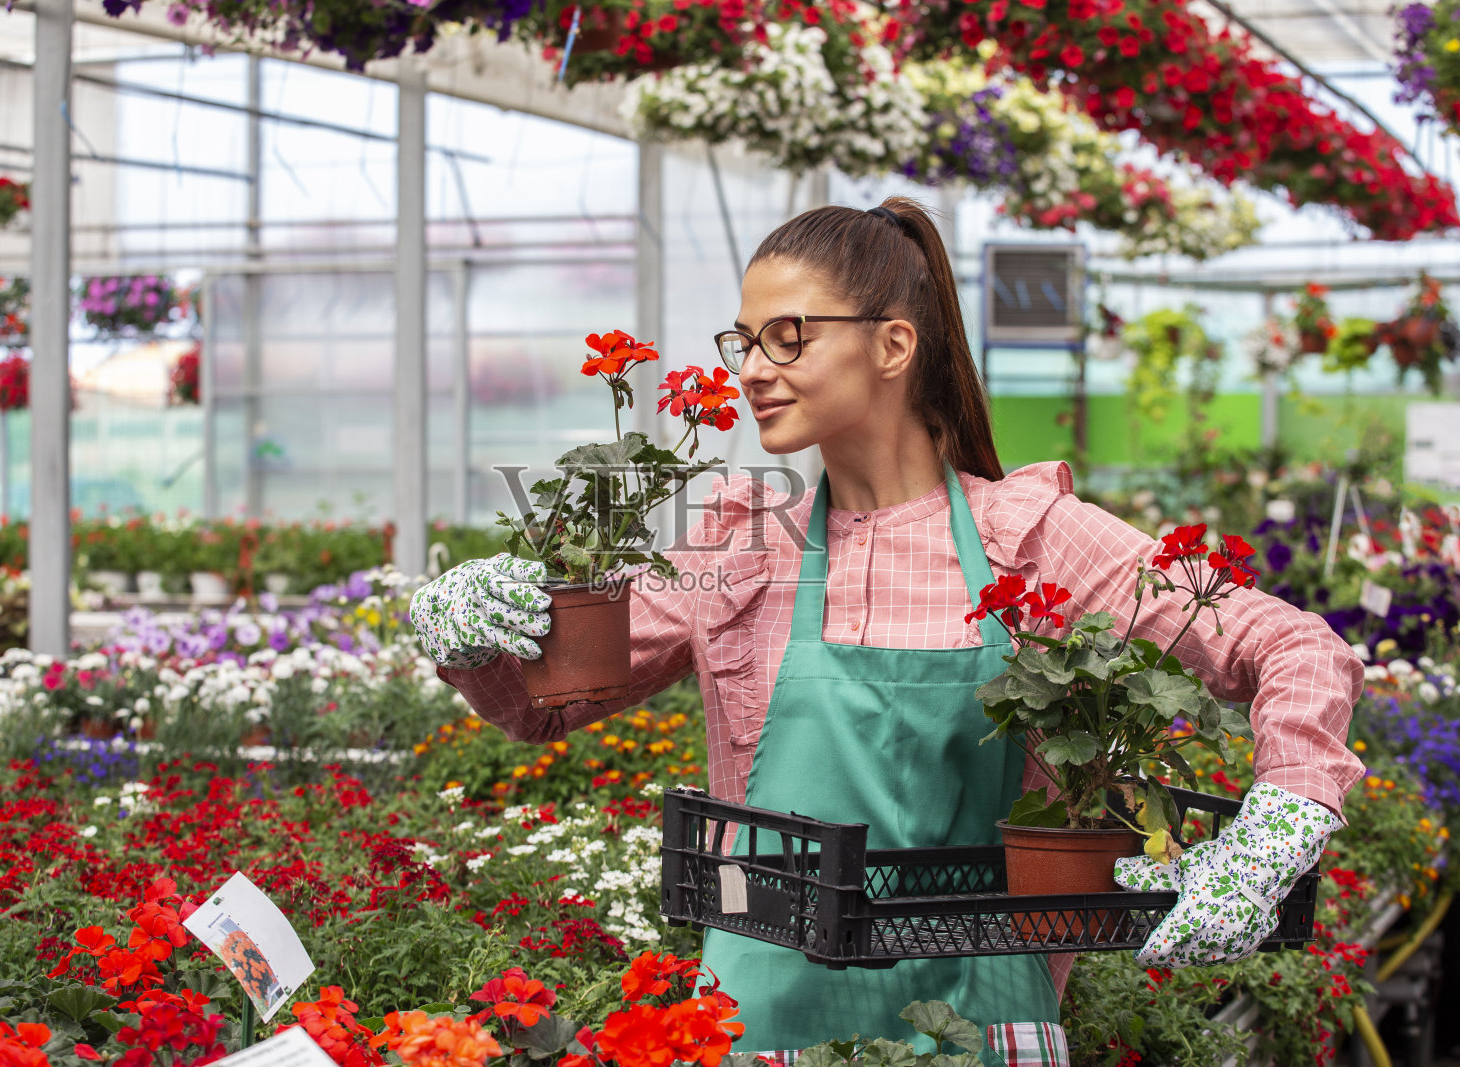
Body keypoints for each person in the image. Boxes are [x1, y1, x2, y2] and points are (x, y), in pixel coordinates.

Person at [409, 196, 1364, 1067]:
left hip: (982, 1028)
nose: (751, 369)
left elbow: (1294, 647)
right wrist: (472, 632)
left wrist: (1275, 830)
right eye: (743, 341)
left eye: (786, 337)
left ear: (894, 345)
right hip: (755, 1028)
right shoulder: (745, 547)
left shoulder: (1030, 537)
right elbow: (544, 710)